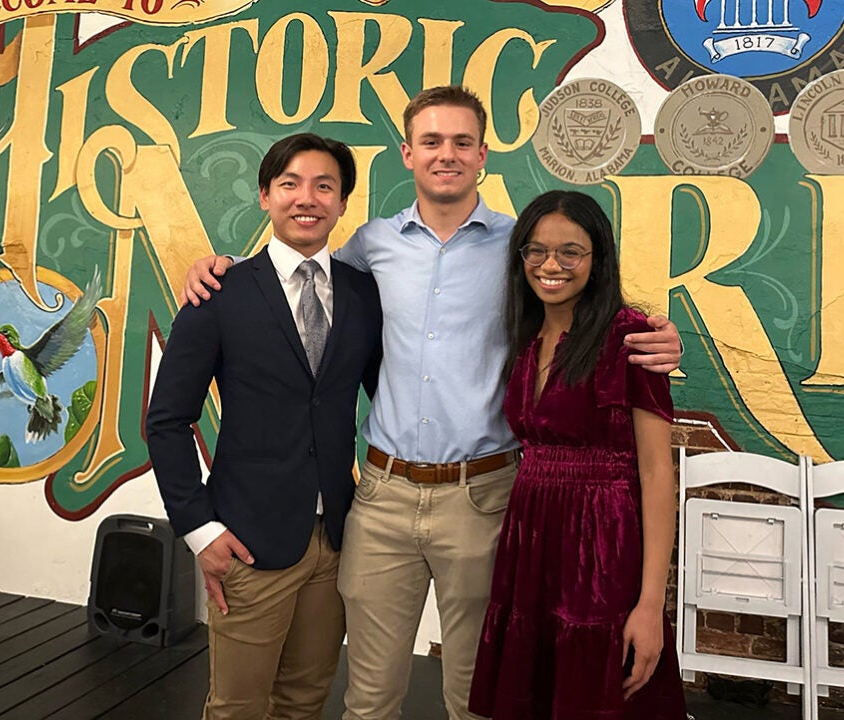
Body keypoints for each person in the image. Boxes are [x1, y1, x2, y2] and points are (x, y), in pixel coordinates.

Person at [182, 86, 682, 720]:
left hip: (485, 496)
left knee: (477, 696)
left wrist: (660, 335)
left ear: (482, 156)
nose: (447, 154)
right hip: (381, 499)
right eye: (432, 141)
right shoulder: (370, 245)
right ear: (408, 154)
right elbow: (295, 278)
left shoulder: (520, 247)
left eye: (462, 142)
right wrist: (215, 266)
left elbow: (587, 302)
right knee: (367, 699)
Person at [147, 133, 382, 720]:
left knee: (304, 701)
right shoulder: (218, 293)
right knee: (237, 707)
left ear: (343, 202)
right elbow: (167, 420)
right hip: (248, 541)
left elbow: (389, 392)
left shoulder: (363, 293)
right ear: (264, 196)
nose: (308, 198)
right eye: (290, 184)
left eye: (324, 185)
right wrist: (200, 530)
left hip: (336, 540)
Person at [468, 190, 686, 719]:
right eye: (536, 251)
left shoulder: (630, 337)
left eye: (571, 251)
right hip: (530, 539)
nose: (551, 265)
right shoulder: (525, 336)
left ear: (598, 259)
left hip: (602, 547)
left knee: (596, 694)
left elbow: (657, 473)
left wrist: (651, 603)